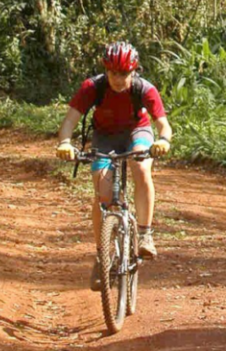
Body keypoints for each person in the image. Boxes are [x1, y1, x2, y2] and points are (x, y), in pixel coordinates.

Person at [55, 41, 172, 289]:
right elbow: (69, 121)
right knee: (103, 194)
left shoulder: (144, 89)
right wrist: (65, 143)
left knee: (141, 166)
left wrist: (163, 140)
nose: (118, 79)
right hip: (104, 137)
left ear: (134, 71)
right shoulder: (92, 88)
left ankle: (145, 233)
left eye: (125, 74)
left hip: (137, 132)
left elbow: (163, 124)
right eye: (113, 73)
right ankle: (102, 256)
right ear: (106, 70)